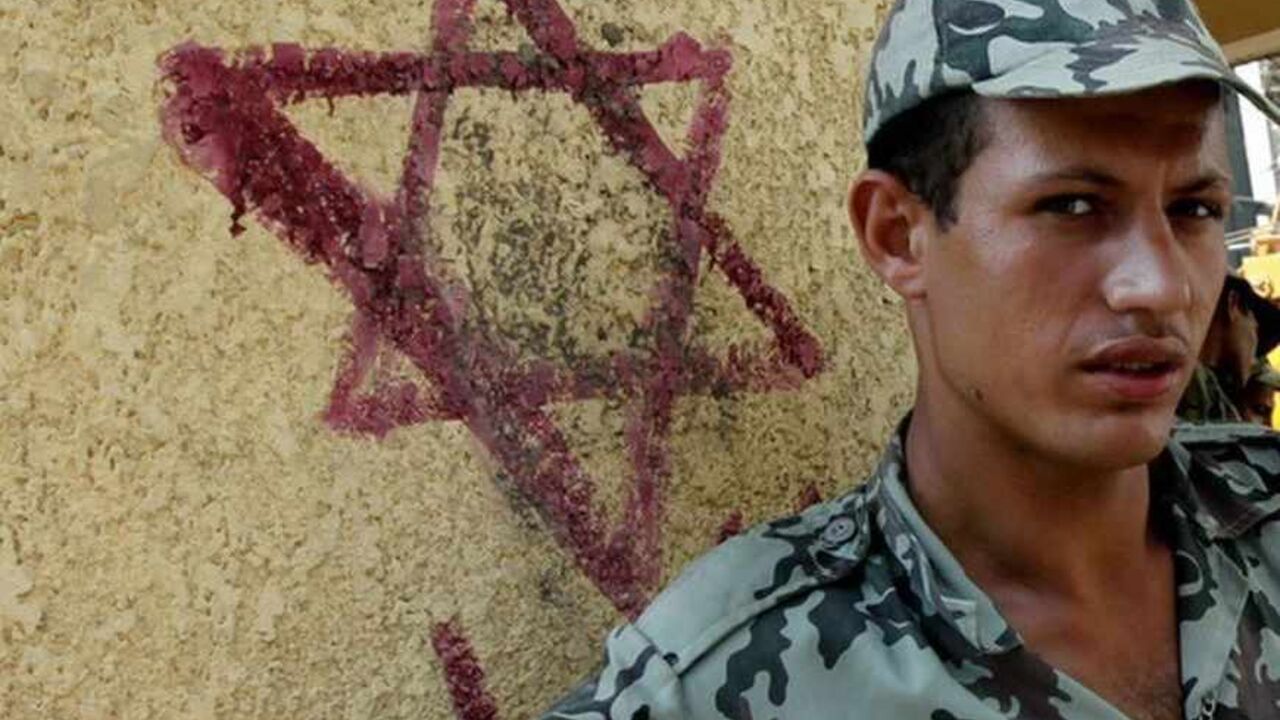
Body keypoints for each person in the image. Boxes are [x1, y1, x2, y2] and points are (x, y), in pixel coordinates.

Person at [542, 1, 1280, 718]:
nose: (1161, 286)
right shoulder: (725, 678)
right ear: (897, 235)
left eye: (1194, 210)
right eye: (1074, 206)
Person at [1178, 274, 1280, 423]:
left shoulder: (1207, 387)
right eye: (1256, 330)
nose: (1253, 357)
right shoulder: (1187, 381)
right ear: (1233, 304)